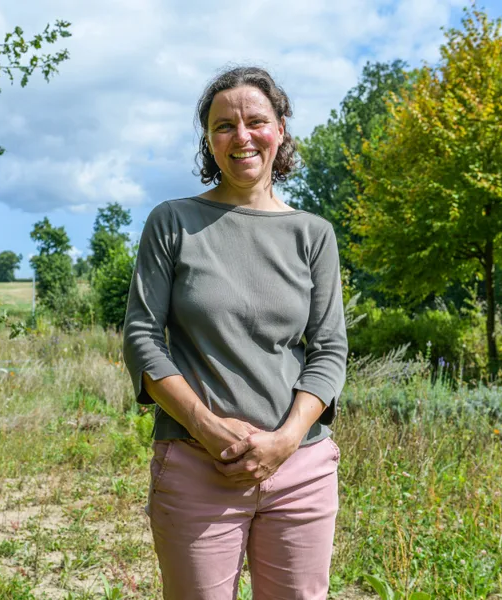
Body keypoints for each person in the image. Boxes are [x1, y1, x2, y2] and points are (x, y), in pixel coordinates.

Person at [122, 65, 348, 600]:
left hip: (301, 470)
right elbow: (142, 338)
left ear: (281, 130)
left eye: (256, 121)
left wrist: (286, 439)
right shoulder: (172, 222)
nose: (241, 136)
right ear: (208, 139)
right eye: (224, 125)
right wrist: (205, 426)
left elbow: (330, 348)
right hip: (198, 467)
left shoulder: (313, 234)